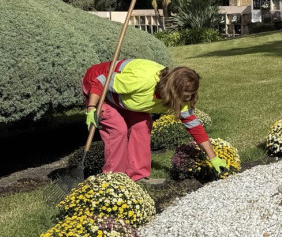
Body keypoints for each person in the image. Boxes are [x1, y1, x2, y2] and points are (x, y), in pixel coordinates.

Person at [82, 59, 225, 181]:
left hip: (127, 99)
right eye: (186, 94)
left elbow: (194, 127)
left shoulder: (180, 99)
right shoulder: (141, 80)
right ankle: (114, 179)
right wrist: (92, 108)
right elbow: (100, 81)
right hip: (99, 90)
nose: (188, 98)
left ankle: (138, 177)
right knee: (118, 129)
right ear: (173, 90)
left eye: (191, 94)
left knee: (142, 126)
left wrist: (213, 158)